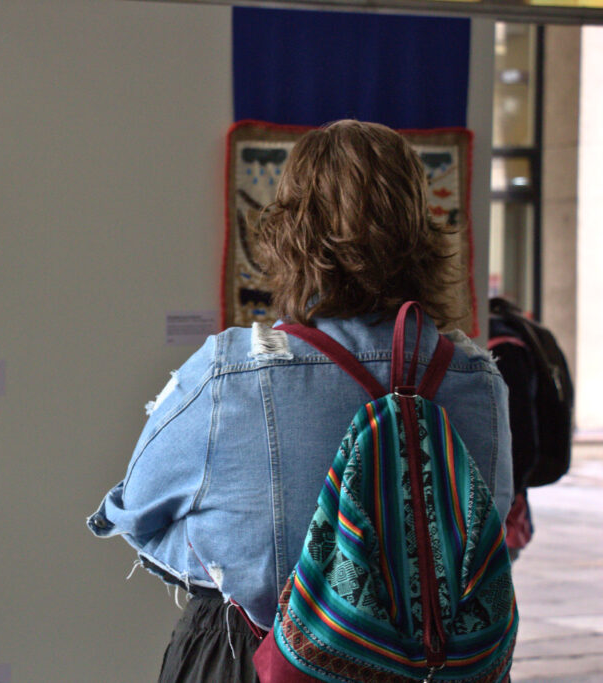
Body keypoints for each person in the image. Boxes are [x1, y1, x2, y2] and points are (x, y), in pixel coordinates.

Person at [87, 120, 513, 682]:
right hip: (429, 667)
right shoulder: (478, 380)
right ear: (422, 232)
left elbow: (135, 513)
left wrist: (230, 558)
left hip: (257, 656)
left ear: (288, 232)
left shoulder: (232, 373)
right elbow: (488, 523)